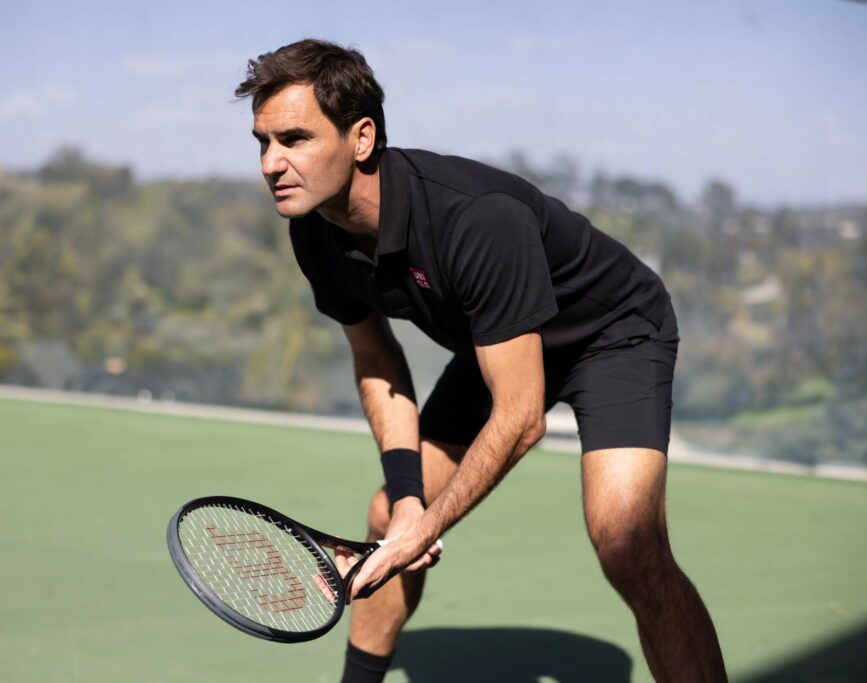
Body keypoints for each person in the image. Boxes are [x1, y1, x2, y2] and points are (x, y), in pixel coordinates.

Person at [235, 38, 727, 683]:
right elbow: (378, 360)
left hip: (612, 334)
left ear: (360, 138)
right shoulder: (313, 232)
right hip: (499, 342)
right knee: (389, 514)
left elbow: (521, 417)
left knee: (626, 544)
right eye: (262, 143)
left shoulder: (475, 219)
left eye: (294, 139)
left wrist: (430, 526)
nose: (272, 163)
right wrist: (411, 505)